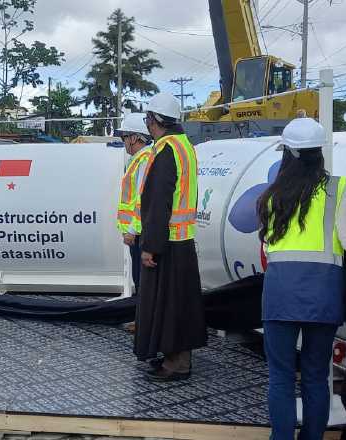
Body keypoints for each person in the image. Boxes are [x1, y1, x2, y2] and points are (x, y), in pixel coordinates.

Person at [256, 118, 346, 440]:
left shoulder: (270, 195)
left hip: (279, 294)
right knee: (316, 376)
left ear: (287, 155)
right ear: (319, 153)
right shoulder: (336, 187)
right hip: (323, 294)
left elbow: (267, 245)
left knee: (279, 378)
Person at [133, 93, 206, 382]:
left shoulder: (165, 151)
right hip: (181, 240)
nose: (147, 124)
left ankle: (176, 364)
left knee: (167, 307)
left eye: (147, 118)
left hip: (167, 243)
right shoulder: (184, 146)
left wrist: (150, 246)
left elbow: (158, 201)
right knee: (179, 305)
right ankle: (174, 358)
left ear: (155, 120)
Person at [115, 112, 152, 333]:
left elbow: (141, 199)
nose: (124, 142)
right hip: (139, 232)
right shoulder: (139, 159)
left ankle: (144, 323)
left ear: (135, 137)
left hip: (139, 233)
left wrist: (131, 230)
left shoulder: (144, 159)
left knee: (143, 281)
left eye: (124, 137)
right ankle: (142, 320)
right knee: (141, 281)